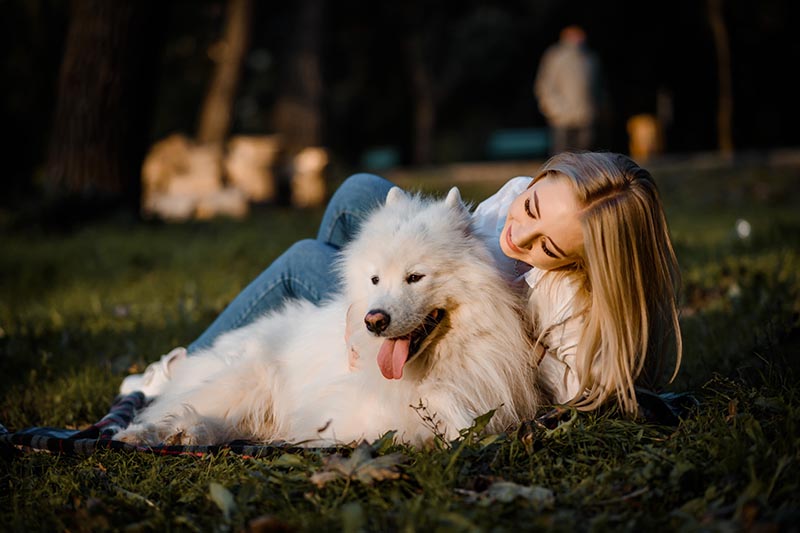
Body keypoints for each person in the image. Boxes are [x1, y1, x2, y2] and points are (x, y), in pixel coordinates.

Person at [122, 151, 682, 417]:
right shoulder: (514, 194)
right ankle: (315, 343)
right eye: (532, 205)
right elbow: (459, 232)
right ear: (540, 180)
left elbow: (568, 385)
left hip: (436, 313)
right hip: (409, 281)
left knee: (303, 260)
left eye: (547, 248)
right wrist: (357, 300)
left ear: (588, 267)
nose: (520, 233)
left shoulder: (571, 303)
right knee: (356, 190)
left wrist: (532, 348)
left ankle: (172, 372)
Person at [534, 25, 603, 155]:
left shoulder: (590, 58)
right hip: (561, 118)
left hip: (586, 116)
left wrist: (597, 108)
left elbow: (599, 87)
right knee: (561, 157)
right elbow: (544, 86)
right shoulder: (555, 57)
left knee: (586, 158)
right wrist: (554, 109)